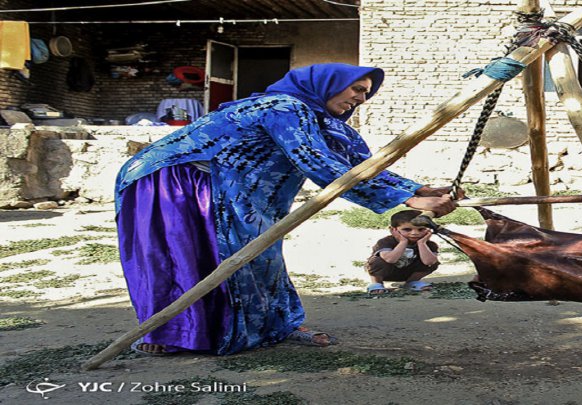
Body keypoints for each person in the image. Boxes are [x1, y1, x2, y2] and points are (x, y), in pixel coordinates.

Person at [114, 63, 458, 355]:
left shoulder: (324, 123)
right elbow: (317, 162)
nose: (361, 98)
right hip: (178, 180)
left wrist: (417, 189)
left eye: (366, 93)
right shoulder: (283, 107)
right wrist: (409, 201)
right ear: (328, 84)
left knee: (259, 253)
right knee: (182, 254)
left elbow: (358, 164)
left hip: (231, 186)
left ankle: (275, 327)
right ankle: (166, 334)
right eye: (356, 88)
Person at [365, 210, 440, 294]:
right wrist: (403, 242)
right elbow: (390, 259)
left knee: (433, 261)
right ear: (393, 229)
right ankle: (376, 283)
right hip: (386, 272)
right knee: (378, 261)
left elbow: (429, 262)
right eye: (407, 229)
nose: (415, 233)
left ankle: (412, 282)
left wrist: (421, 243)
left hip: (409, 273)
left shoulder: (429, 244)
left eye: (421, 229)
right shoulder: (386, 241)